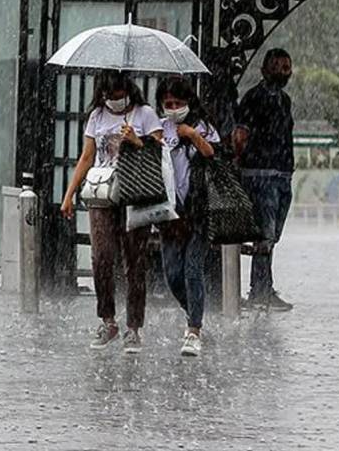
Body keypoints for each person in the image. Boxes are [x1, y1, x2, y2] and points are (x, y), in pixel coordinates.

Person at [61, 71, 163, 354]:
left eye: (118, 95)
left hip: (135, 193)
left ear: (127, 90)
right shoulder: (96, 116)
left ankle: (134, 326)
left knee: (134, 260)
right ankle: (108, 319)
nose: (114, 101)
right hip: (103, 194)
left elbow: (159, 152)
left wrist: (136, 140)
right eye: (109, 96)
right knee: (101, 257)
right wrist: (69, 194)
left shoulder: (145, 114)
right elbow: (87, 156)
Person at [156, 77, 219, 357]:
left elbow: (213, 154)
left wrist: (192, 134)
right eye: (168, 104)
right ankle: (193, 310)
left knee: (192, 269)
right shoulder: (159, 127)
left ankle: (194, 329)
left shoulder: (203, 126)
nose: (173, 108)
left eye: (178, 103)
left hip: (199, 211)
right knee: (173, 273)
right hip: (170, 213)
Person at [232, 48, 295, 311]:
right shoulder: (253, 99)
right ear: (264, 70)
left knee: (273, 234)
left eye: (286, 67)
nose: (283, 71)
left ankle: (262, 286)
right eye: (278, 66)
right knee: (265, 234)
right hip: (260, 175)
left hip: (281, 174)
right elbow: (240, 135)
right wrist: (240, 163)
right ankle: (260, 289)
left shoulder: (284, 100)